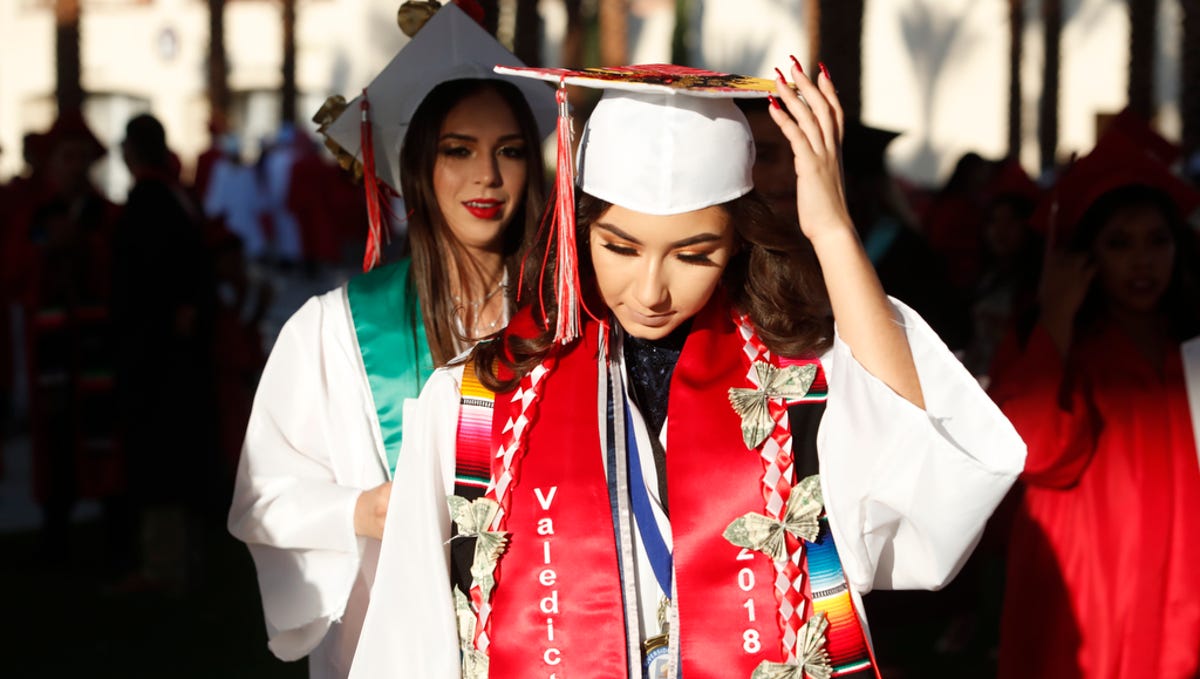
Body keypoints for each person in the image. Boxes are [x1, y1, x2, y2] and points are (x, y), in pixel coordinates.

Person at [350, 61, 1025, 679]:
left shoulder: (801, 383)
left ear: (736, 244)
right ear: (577, 227)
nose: (651, 290)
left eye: (693, 254)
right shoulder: (481, 397)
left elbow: (920, 464)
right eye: (619, 246)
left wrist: (833, 230)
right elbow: (409, 635)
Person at [226, 4, 555, 678]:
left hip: (546, 634)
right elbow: (265, 498)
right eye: (457, 149)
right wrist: (361, 508)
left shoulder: (565, 319)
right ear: (418, 167)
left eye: (510, 150)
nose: (487, 177)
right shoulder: (334, 331)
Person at [991, 128, 1200, 679]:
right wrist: (1056, 317)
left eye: (1157, 241)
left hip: (1181, 566)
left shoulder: (1190, 346)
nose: (1143, 262)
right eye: (1119, 243)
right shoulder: (1049, 342)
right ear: (1084, 256)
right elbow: (1032, 454)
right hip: (1092, 570)